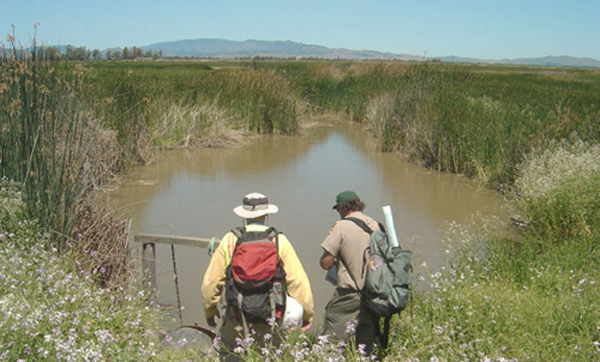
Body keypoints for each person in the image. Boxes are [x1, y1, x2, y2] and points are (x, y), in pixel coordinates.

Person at [202, 192, 313, 360]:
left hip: (236, 315)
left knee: (231, 353)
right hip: (271, 315)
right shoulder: (278, 240)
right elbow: (297, 282)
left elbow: (211, 283)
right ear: (267, 214)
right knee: (271, 355)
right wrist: (307, 314)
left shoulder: (230, 240)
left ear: (243, 215)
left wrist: (210, 310)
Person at [319, 190, 382, 354]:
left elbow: (326, 263)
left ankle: (327, 356)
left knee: (333, 329)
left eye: (338, 209)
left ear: (342, 207)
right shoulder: (375, 225)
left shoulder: (341, 226)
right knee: (366, 333)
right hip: (374, 292)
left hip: (349, 292)